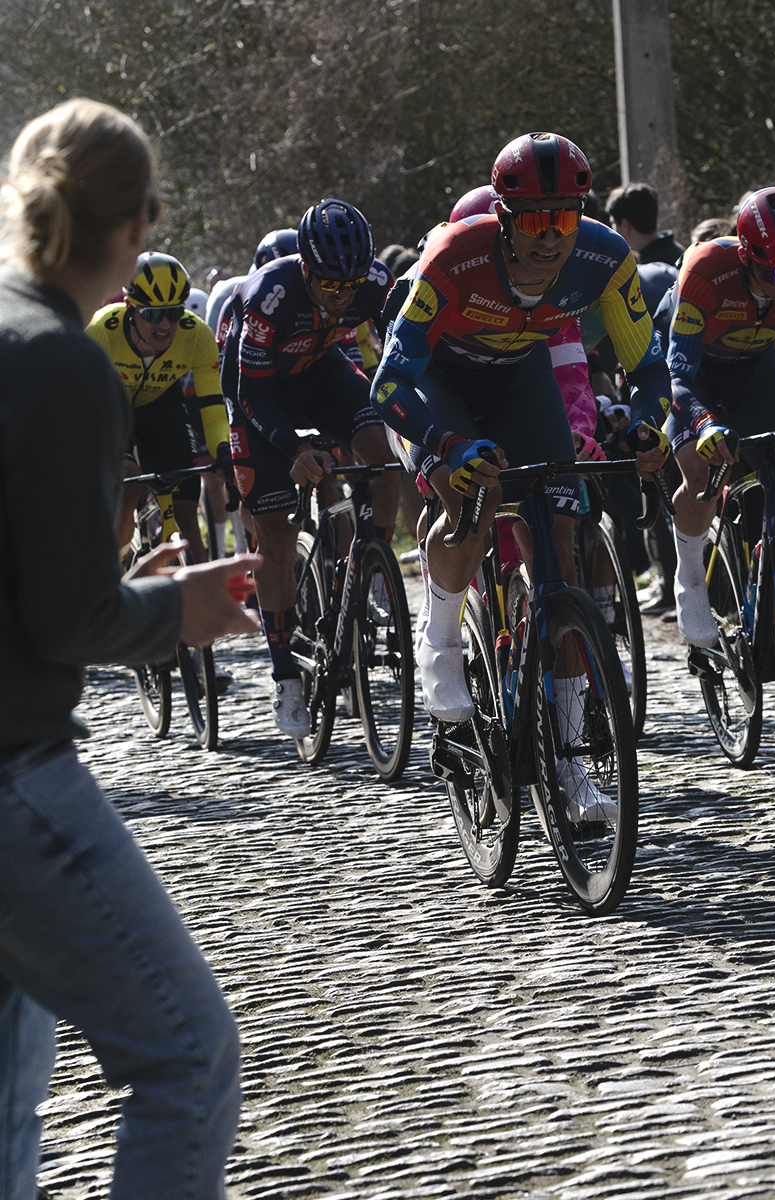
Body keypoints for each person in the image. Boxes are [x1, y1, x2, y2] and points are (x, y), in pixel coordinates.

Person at [0, 96, 262, 1200]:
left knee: (12, 1083)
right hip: (13, 767)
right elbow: (68, 618)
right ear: (133, 226)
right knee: (187, 1057)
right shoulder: (61, 362)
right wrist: (175, 613)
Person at [370, 132, 670, 814]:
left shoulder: (603, 257)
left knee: (557, 546)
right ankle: (440, 641)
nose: (548, 236)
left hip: (519, 376)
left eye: (562, 218)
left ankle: (570, 767)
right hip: (441, 382)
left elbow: (648, 368)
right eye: (533, 220)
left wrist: (650, 425)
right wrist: (445, 443)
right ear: (503, 219)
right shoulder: (454, 257)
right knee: (471, 502)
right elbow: (388, 385)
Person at [221, 198, 399, 738]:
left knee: (382, 458)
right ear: (306, 266)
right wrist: (292, 450)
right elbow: (248, 391)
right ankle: (285, 679)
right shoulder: (270, 297)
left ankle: (375, 566)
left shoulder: (372, 283)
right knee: (275, 540)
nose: (340, 296)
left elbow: (402, 341)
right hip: (258, 395)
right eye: (328, 285)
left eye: (349, 287)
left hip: (319, 372)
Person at [663, 187, 775, 646]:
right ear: (746, 257)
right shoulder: (706, 269)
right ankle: (690, 575)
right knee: (703, 472)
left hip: (755, 368)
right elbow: (677, 375)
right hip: (693, 371)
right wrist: (702, 422)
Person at [87, 252, 233, 563]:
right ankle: (114, 574)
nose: (165, 325)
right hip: (111, 407)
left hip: (161, 406)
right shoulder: (103, 329)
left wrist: (223, 448)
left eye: (174, 313)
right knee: (128, 482)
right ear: (130, 308)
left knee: (186, 511)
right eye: (153, 315)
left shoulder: (197, 335)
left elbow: (212, 406)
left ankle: (202, 596)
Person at [606, 181, 685, 266]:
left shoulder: (651, 268)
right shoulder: (679, 253)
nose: (612, 231)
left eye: (613, 223)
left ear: (625, 224)